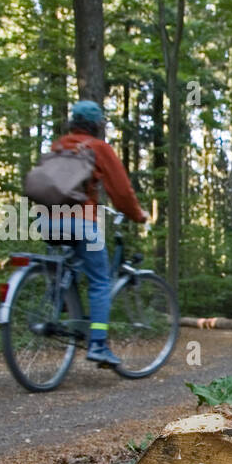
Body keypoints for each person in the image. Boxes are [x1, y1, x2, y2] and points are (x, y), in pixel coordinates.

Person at [49, 100, 149, 367]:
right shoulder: (98, 148)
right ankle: (98, 345)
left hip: (44, 219)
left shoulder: (58, 146)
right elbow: (122, 192)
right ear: (96, 125)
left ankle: (57, 306)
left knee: (64, 264)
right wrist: (138, 215)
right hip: (80, 221)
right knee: (100, 281)